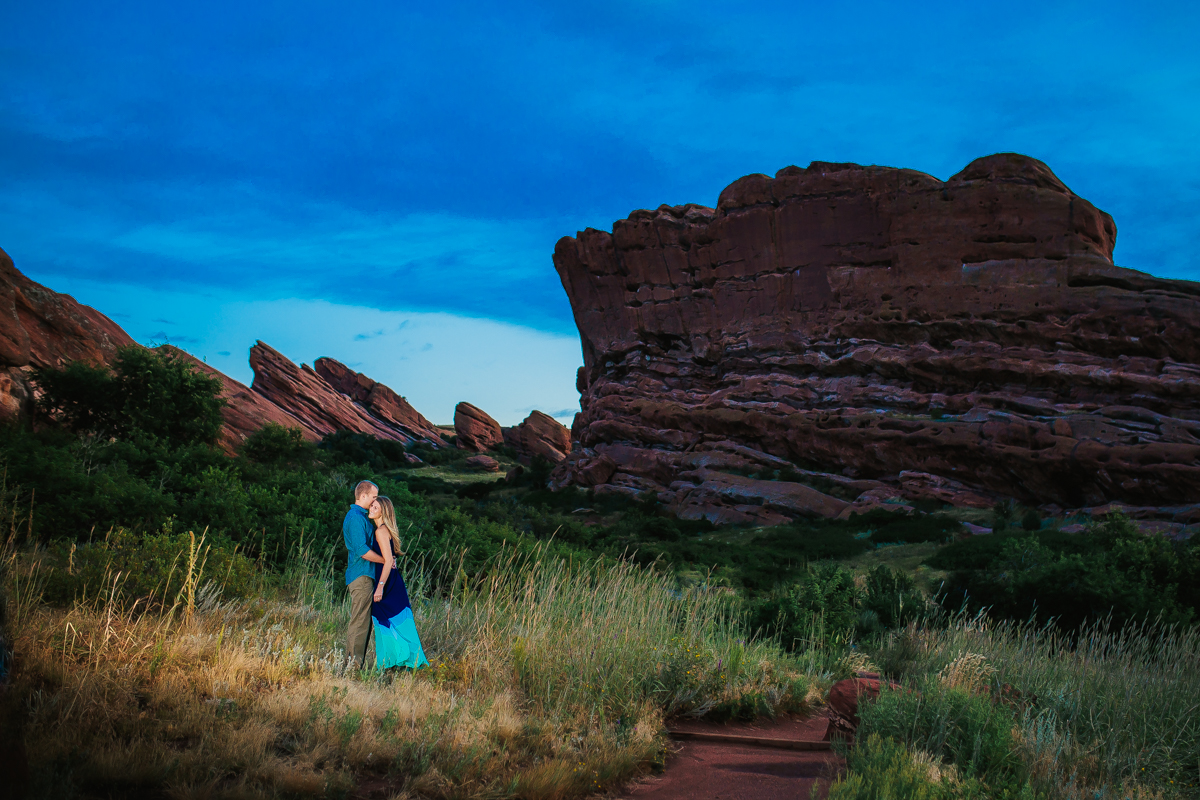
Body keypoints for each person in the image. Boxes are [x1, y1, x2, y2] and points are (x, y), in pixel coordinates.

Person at [366, 496, 429, 669]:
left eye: (375, 507)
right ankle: (397, 660)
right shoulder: (383, 530)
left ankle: (394, 662)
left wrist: (379, 588)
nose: (371, 508)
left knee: (388, 621)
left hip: (387, 584)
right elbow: (389, 559)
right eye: (371, 505)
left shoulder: (381, 531)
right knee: (392, 621)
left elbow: (387, 561)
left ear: (384, 511)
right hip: (390, 581)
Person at [343, 479, 384, 670]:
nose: (376, 501)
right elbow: (362, 550)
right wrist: (385, 560)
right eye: (374, 497)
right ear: (363, 496)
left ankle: (354, 663)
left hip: (365, 575)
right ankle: (352, 665)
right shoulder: (355, 518)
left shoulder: (361, 517)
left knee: (363, 621)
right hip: (360, 576)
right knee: (359, 621)